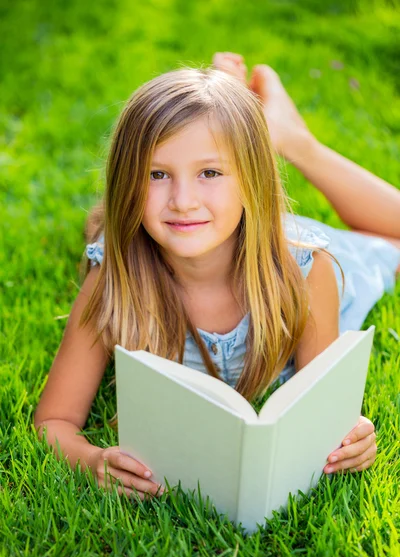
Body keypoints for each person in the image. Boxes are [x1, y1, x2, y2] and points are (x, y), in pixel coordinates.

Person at [34, 52, 400, 502]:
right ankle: (228, 106)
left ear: (252, 179)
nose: (183, 200)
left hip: (273, 245)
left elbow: (326, 409)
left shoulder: (304, 271)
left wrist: (352, 431)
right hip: (226, 224)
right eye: (156, 173)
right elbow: (54, 422)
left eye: (209, 172)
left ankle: (290, 140)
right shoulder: (115, 278)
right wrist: (88, 459)